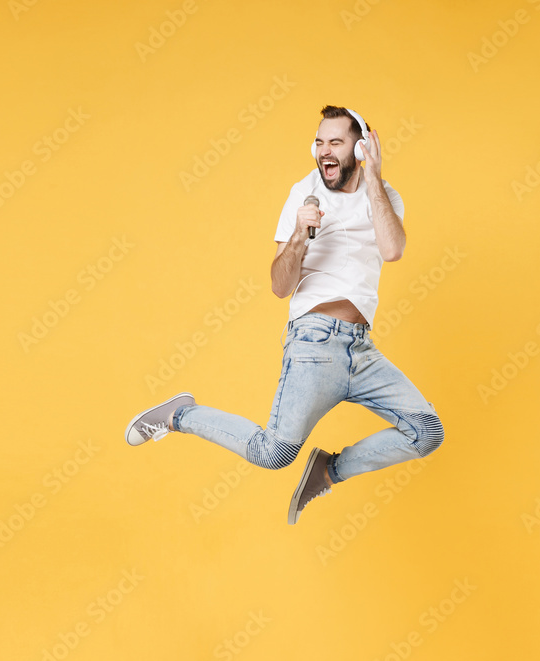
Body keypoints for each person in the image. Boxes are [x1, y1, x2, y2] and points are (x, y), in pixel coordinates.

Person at [125, 105, 444, 524]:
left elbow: (393, 250)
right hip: (316, 343)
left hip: (361, 351)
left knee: (426, 432)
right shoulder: (304, 191)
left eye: (336, 142)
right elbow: (279, 286)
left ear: (361, 147)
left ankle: (329, 470)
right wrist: (299, 234)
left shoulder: (383, 196)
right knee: (272, 453)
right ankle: (178, 415)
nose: (323, 150)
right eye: (319, 141)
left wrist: (372, 177)